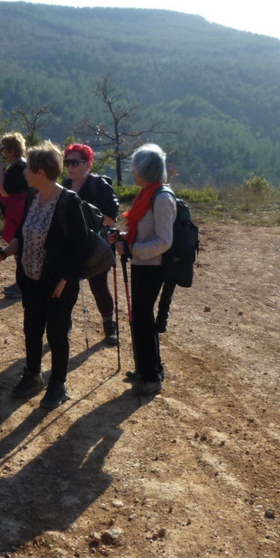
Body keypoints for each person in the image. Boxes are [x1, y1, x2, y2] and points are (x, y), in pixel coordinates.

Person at [0, 141, 90, 409]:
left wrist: (65, 280)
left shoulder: (68, 201)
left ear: (41, 172)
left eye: (27, 169)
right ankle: (33, 375)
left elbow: (80, 246)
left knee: (57, 333)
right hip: (31, 279)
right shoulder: (33, 197)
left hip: (58, 284)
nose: (23, 172)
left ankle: (58, 383)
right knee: (31, 329)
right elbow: (22, 234)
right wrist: (4, 254)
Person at [108, 144, 175, 395]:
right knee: (140, 319)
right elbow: (146, 232)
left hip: (152, 268)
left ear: (145, 169)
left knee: (143, 320)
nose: (132, 170)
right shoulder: (148, 193)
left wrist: (132, 248)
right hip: (143, 265)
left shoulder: (161, 197)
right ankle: (147, 369)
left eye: (135, 166)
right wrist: (123, 237)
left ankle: (151, 376)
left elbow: (164, 241)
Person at [61, 143, 121, 346]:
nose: (70, 167)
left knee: (99, 287)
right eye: (67, 162)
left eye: (75, 162)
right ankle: (63, 327)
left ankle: (109, 325)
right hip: (70, 246)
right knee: (67, 288)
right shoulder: (64, 185)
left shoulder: (100, 186)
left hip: (96, 246)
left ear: (88, 164)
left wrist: (86, 216)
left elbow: (111, 219)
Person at [0, 132, 28, 298]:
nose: (2, 152)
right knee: (19, 248)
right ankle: (20, 283)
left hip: (19, 213)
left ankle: (22, 285)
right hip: (20, 212)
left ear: (12, 150)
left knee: (19, 247)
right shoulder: (21, 166)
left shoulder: (18, 168)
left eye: (4, 148)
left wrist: (0, 171)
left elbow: (5, 192)